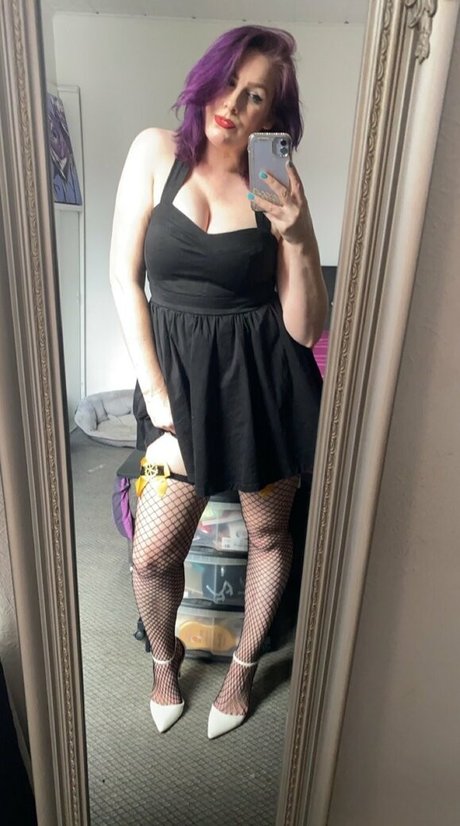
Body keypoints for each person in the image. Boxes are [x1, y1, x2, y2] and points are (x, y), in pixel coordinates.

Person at [109, 25, 327, 739]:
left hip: (265, 383)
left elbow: (306, 329)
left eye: (256, 95)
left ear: (273, 117)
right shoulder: (155, 152)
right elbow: (124, 278)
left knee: (268, 534)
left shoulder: (275, 186)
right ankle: (165, 661)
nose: (234, 104)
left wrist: (298, 233)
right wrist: (157, 396)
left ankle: (242, 669)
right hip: (175, 388)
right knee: (152, 553)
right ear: (207, 78)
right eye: (230, 82)